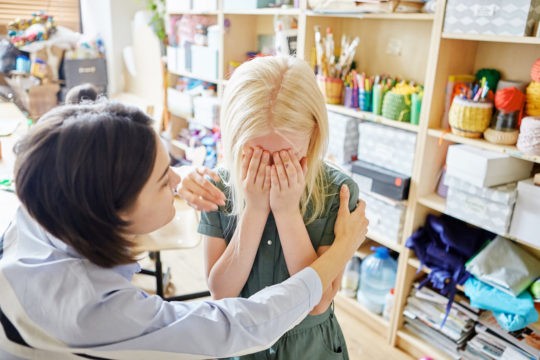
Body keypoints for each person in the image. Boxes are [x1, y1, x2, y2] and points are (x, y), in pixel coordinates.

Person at [0, 100, 369, 360]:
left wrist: (172, 180)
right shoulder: (96, 314)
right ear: (111, 211)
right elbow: (234, 325)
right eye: (164, 180)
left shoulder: (39, 211)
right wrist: (341, 250)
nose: (181, 183)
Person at [198, 56, 363, 360]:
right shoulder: (218, 186)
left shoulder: (337, 192)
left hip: (310, 348)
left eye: (287, 157)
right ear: (235, 139)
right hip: (242, 341)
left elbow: (318, 302)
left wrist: (287, 212)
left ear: (313, 136)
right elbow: (221, 292)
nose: (272, 171)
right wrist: (255, 210)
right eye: (257, 156)